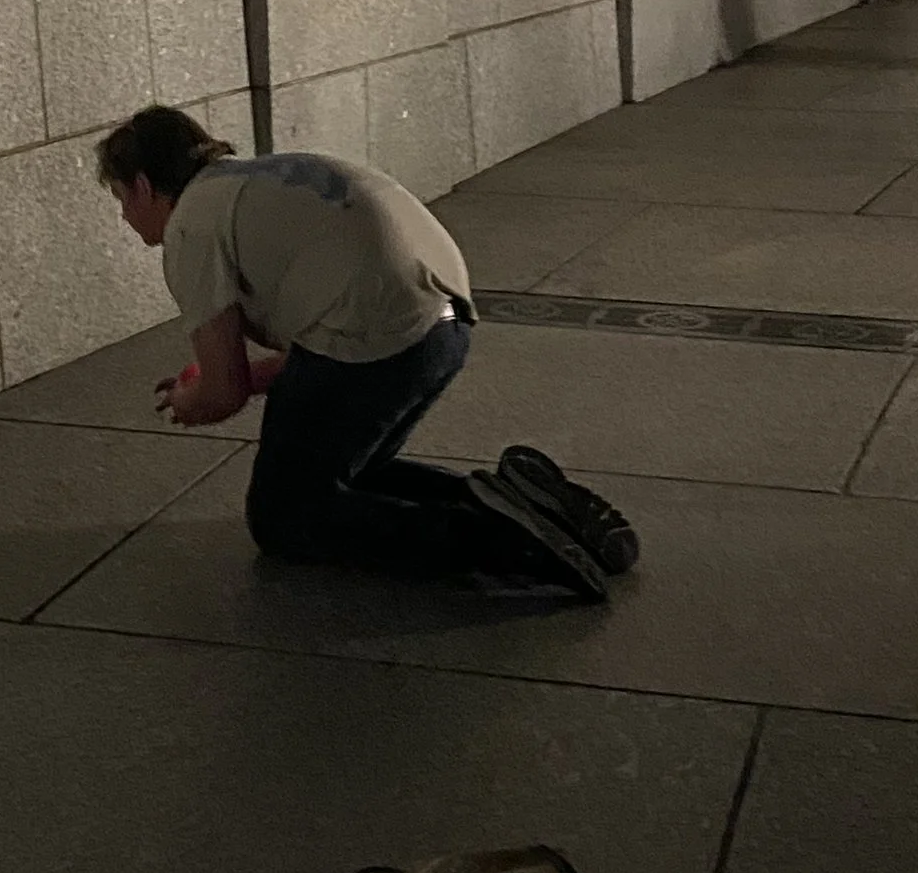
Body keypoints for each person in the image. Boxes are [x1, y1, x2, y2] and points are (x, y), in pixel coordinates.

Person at [96, 106, 638, 602]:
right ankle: (526, 502)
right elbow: (322, 341)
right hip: (443, 326)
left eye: (122, 200)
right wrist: (246, 378)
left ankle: (501, 541)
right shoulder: (258, 179)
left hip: (376, 338)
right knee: (348, 471)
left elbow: (224, 391)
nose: (125, 218)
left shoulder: (191, 225)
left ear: (143, 186)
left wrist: (193, 400)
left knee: (285, 517)